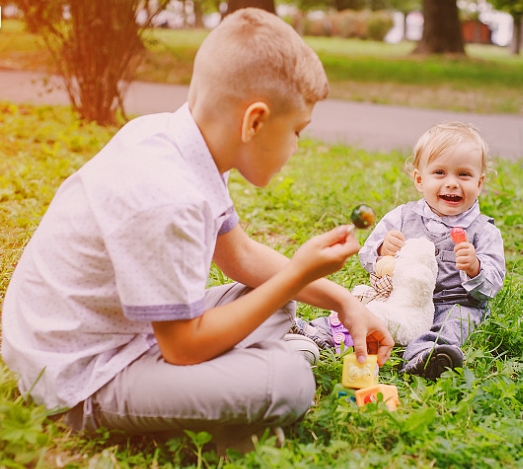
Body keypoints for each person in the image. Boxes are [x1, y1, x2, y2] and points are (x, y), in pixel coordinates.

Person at [1, 8, 393, 451]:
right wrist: (296, 274)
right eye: (297, 132)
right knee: (289, 380)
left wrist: (343, 302)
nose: (297, 147)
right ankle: (219, 424)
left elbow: (240, 258)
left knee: (278, 305)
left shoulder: (183, 142)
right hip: (82, 374)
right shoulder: (170, 196)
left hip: (126, 328)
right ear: (255, 121)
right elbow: (183, 349)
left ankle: (230, 388)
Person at [297, 121, 505, 379]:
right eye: (439, 173)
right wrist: (383, 249)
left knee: (452, 324)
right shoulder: (403, 217)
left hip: (454, 301)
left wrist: (475, 268)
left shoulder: (484, 231)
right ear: (420, 179)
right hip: (401, 298)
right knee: (368, 309)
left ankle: (428, 355)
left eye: (463, 174)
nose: (452, 183)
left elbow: (493, 284)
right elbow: (367, 255)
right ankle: (318, 333)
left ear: (480, 182)